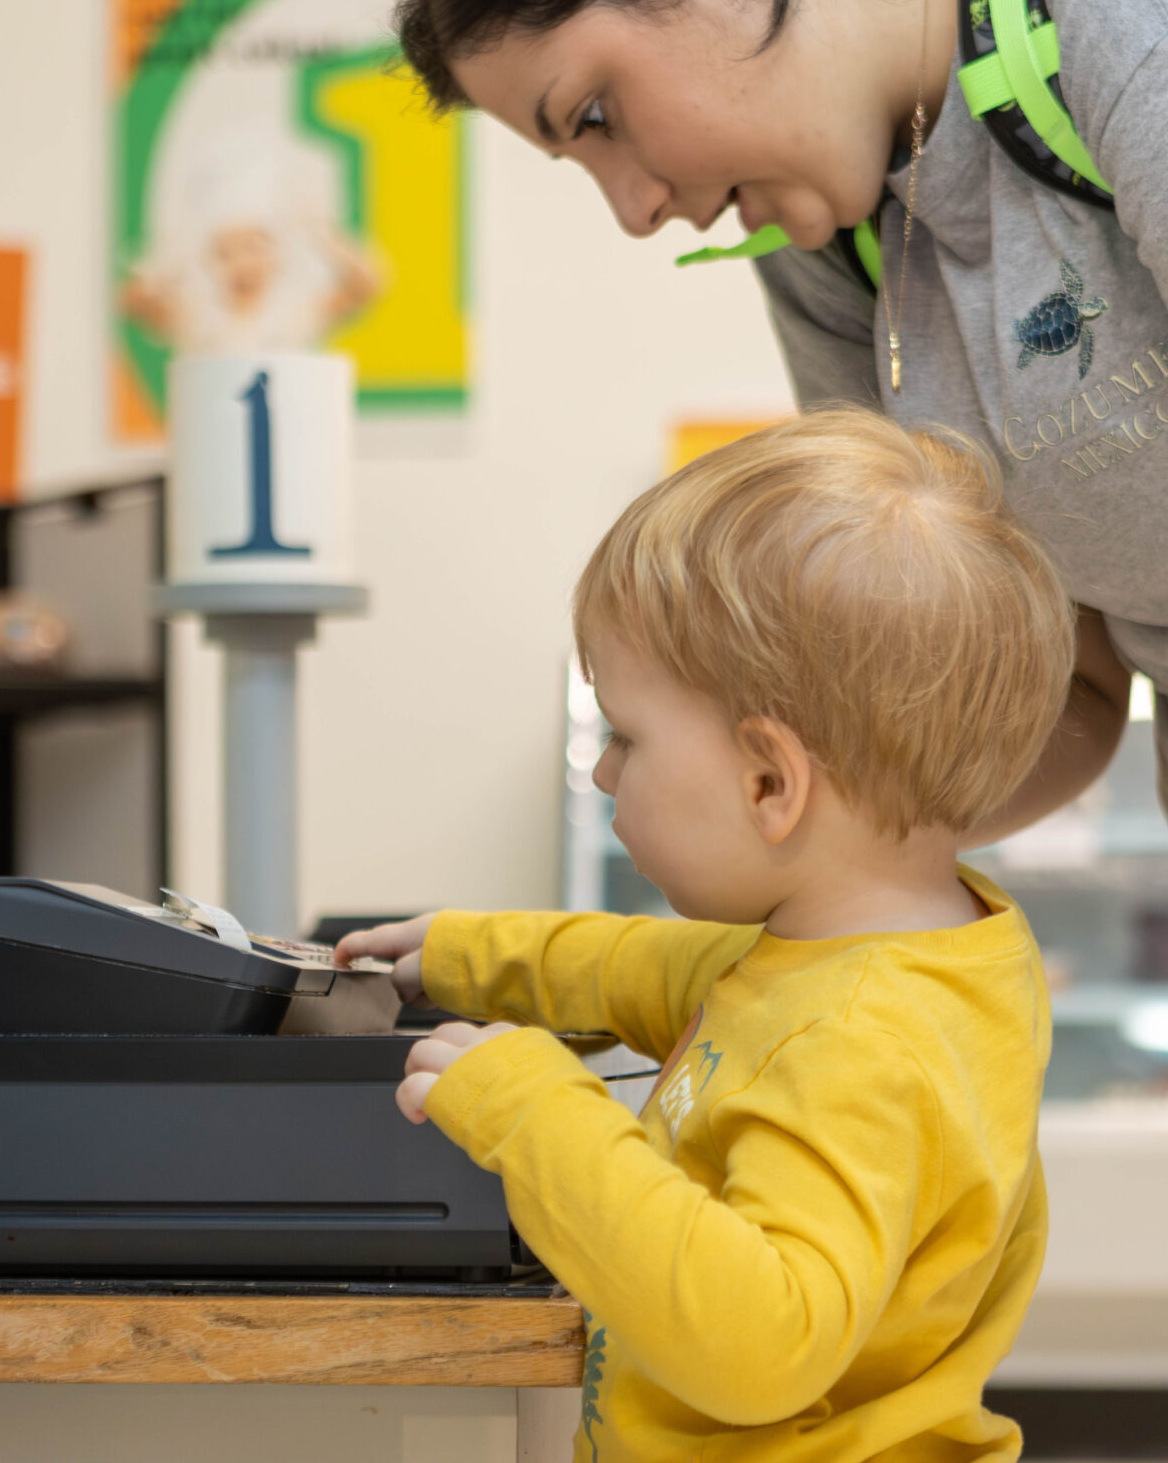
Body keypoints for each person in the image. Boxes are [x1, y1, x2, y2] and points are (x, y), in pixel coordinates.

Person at [394, 0, 1168, 1446]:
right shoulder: (840, 217)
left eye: (602, 116)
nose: (636, 206)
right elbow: (1006, 701)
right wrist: (760, 800)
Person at [340, 410, 1074, 1461]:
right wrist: (467, 950)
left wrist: (537, 1112)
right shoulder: (887, 949)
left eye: (627, 738)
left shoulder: (856, 1043)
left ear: (771, 781)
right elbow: (655, 970)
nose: (602, 774)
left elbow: (758, 1342)